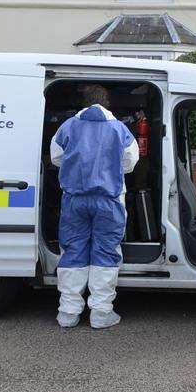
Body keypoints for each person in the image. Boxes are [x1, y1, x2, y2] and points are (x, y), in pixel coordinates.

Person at [50, 85, 139, 328]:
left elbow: (56, 157)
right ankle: (101, 313)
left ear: (84, 102)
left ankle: (68, 313)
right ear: (107, 103)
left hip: (75, 200)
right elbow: (130, 162)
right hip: (108, 200)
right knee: (105, 253)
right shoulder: (119, 129)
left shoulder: (68, 126)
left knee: (73, 251)